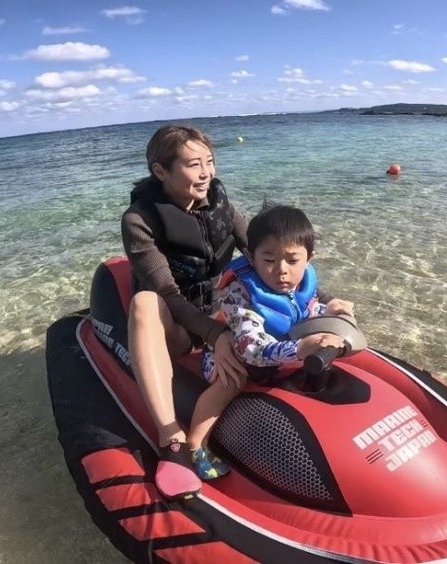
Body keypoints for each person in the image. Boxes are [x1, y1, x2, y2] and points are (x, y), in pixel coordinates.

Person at [121, 125, 249, 499]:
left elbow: (264, 252)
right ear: (160, 171)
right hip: (175, 329)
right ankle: (171, 439)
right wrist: (216, 335)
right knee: (145, 302)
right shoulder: (139, 221)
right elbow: (169, 295)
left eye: (210, 161)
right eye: (194, 165)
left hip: (218, 316)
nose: (206, 173)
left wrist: (321, 299)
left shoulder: (221, 205)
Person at [186, 204, 355, 480]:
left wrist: (330, 311)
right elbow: (253, 349)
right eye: (269, 259)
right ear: (251, 258)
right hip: (231, 356)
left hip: (279, 350)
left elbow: (303, 313)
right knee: (232, 380)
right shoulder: (239, 295)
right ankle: (195, 446)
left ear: (309, 259)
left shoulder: (300, 286)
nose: (281, 271)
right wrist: (300, 349)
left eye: (292, 260)